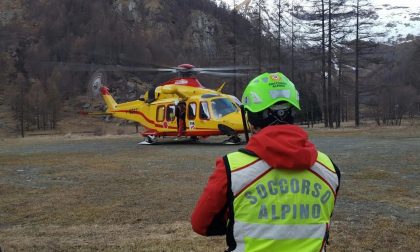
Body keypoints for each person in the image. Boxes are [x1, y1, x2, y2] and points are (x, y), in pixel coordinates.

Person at [191, 72, 341, 251]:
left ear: (251, 118)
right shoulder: (329, 168)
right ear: (293, 112)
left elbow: (202, 225)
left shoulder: (232, 168)